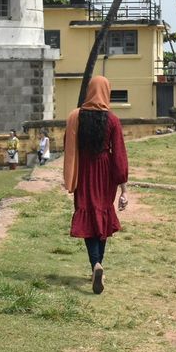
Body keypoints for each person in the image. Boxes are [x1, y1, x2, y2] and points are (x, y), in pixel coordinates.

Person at [63, 76, 128, 294]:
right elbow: (119, 155)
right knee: (102, 215)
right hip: (105, 171)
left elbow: (67, 144)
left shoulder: (76, 117)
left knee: (88, 214)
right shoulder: (113, 120)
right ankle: (99, 264)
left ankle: (94, 265)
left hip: (84, 171)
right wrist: (124, 190)